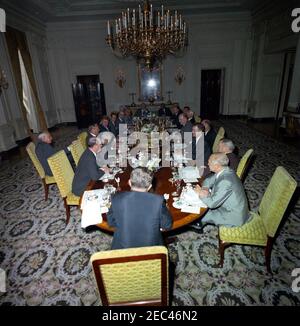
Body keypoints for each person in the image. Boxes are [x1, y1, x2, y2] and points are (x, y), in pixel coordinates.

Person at [107, 168, 173, 249]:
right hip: (153, 252)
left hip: (122, 251)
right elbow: (167, 225)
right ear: (150, 187)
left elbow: (111, 222)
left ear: (129, 182)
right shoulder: (158, 200)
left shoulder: (116, 198)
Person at [192, 153, 249, 232]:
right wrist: (205, 189)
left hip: (233, 216)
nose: (207, 163)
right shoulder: (225, 170)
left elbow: (212, 204)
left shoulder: (225, 181)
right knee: (200, 208)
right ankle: (199, 224)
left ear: (217, 166)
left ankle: (198, 225)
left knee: (196, 215)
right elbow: (208, 180)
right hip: (229, 207)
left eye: (209, 162)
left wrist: (200, 193)